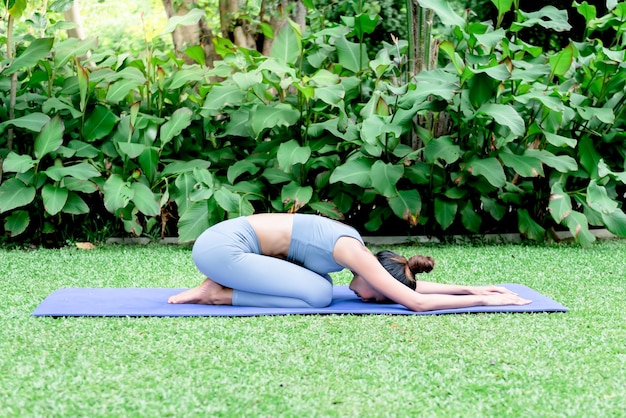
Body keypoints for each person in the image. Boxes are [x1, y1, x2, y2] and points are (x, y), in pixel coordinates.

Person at [168, 213, 531, 311]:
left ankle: (217, 287)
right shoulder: (351, 252)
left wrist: (470, 287)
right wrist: (484, 300)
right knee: (319, 294)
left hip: (225, 247)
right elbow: (416, 301)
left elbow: (409, 287)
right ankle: (215, 294)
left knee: (322, 288)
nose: (373, 299)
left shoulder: (353, 255)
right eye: (382, 294)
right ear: (378, 276)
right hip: (222, 249)